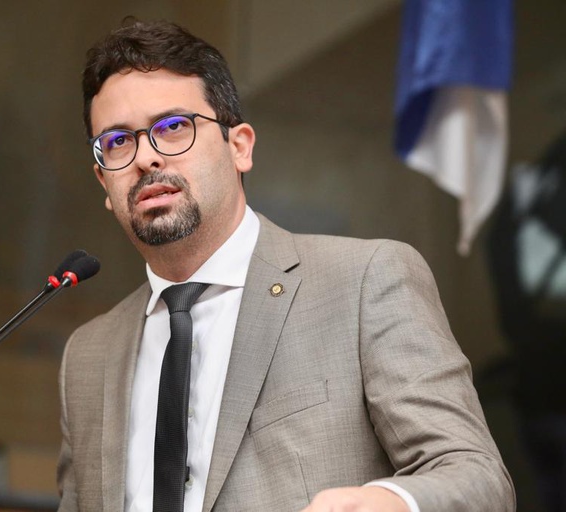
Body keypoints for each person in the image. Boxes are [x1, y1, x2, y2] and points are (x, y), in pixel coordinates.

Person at [56, 19, 515, 512]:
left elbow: (478, 478)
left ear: (240, 147)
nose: (146, 157)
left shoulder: (363, 283)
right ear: (104, 184)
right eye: (118, 142)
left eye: (173, 128)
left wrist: (389, 502)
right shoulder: (88, 355)